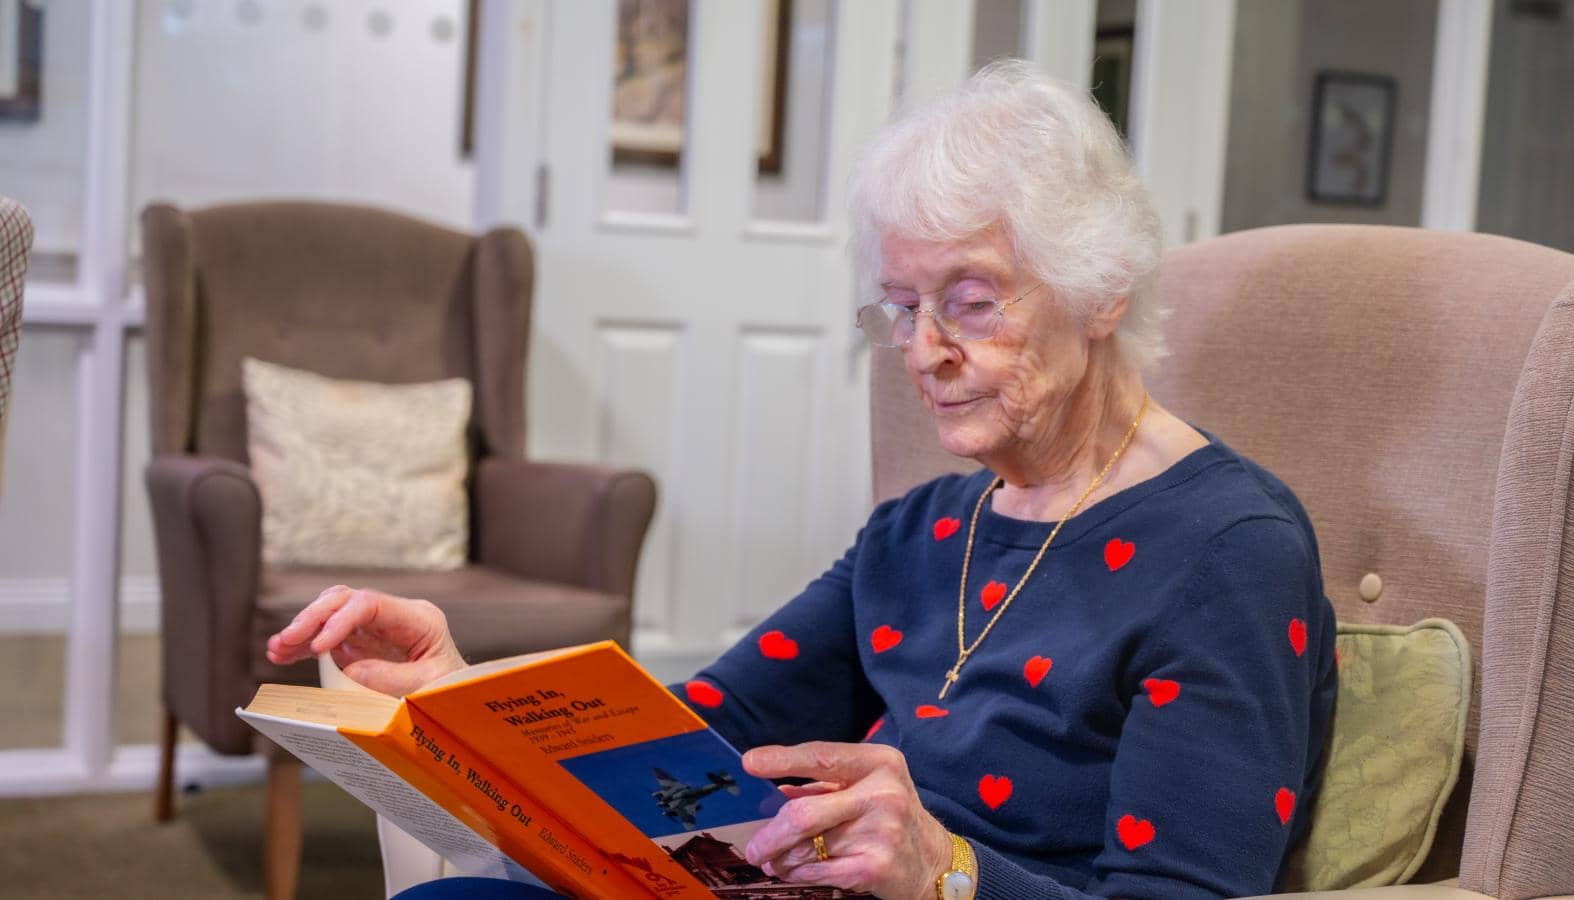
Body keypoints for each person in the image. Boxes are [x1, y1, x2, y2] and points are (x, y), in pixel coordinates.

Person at [267, 61, 1337, 900]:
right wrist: (466, 690)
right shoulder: (916, 532)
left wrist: (949, 875)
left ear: (1099, 290)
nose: (924, 351)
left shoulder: (1227, 549)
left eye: (970, 299)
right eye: (901, 307)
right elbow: (700, 731)